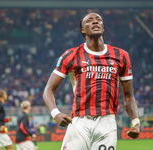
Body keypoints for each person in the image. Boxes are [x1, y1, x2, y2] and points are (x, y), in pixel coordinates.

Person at [43, 12, 140, 150]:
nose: (95, 22)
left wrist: (135, 122)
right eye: (89, 20)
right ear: (83, 30)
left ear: (103, 26)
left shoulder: (121, 56)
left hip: (107, 123)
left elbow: (129, 96)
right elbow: (48, 90)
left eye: (98, 20)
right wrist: (55, 113)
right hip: (79, 123)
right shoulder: (71, 55)